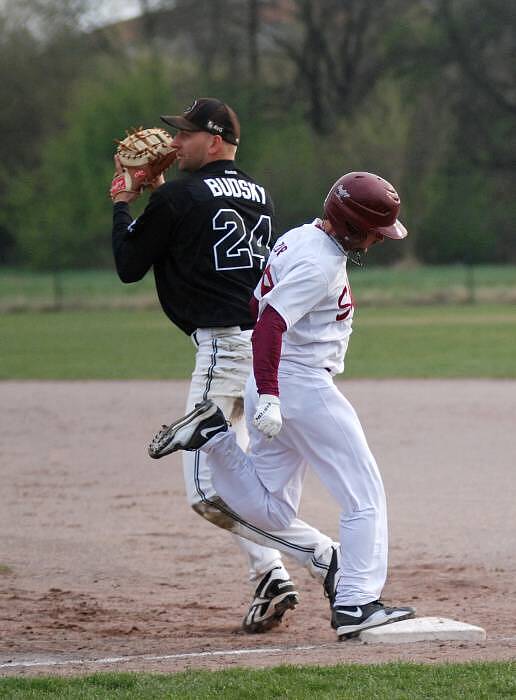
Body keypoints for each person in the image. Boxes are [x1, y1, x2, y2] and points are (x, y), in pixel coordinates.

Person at [148, 171, 417, 639]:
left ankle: (215, 438)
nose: (378, 240)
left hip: (274, 382)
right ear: (354, 227)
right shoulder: (321, 265)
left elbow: (256, 307)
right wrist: (272, 393)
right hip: (300, 387)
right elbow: (270, 323)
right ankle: (356, 604)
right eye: (376, 231)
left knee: (270, 512)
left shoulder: (300, 237)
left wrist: (265, 389)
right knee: (364, 495)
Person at [111, 97, 339, 633]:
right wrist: (163, 194)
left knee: (207, 491)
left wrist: (124, 203)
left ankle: (323, 556)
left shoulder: (181, 197)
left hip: (220, 353)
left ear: (214, 141)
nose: (174, 143)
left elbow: (129, 264)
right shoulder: (260, 195)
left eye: (186, 135)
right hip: (261, 350)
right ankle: (271, 576)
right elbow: (198, 233)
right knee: (228, 478)